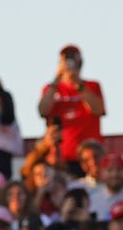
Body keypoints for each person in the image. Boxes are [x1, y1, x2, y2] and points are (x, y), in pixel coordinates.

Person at [39, 45, 105, 173]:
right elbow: (43, 110)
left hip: (89, 159)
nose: (69, 64)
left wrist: (78, 84)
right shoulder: (50, 89)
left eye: (72, 60)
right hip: (60, 158)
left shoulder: (92, 86)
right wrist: (57, 78)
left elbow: (98, 109)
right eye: (65, 60)